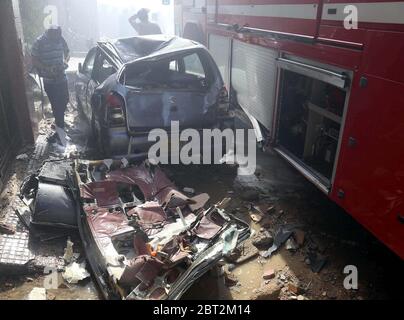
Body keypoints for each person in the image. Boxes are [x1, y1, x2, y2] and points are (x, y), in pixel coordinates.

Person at [31, 25, 70, 146]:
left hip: (62, 78)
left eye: (60, 36)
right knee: (57, 106)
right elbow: (34, 59)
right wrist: (47, 68)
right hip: (50, 81)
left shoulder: (60, 38)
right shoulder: (39, 42)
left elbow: (67, 52)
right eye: (56, 37)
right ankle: (60, 131)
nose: (58, 39)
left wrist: (65, 62)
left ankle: (59, 125)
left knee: (64, 101)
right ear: (50, 34)